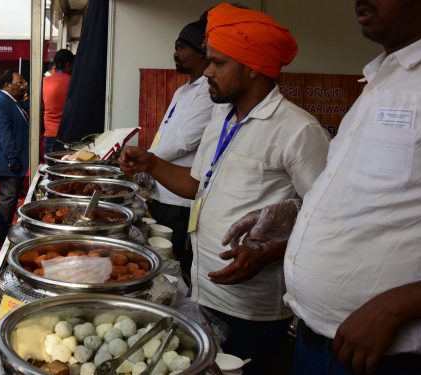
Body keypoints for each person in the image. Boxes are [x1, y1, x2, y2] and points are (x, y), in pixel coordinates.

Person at [119, 4, 331, 374]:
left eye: (218, 63)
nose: (208, 71)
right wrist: (151, 163)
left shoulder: (299, 131)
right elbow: (195, 186)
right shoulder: (222, 115)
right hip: (203, 290)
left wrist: (267, 254)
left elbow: (326, 222)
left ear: (253, 68)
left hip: (253, 307)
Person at [222, 1, 421, 374]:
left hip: (383, 353)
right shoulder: (382, 78)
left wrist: (401, 304)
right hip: (317, 338)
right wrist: (296, 213)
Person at [145, 17, 213, 280]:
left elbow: (183, 141)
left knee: (175, 266)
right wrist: (146, 162)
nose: (176, 53)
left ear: (202, 52)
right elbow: (164, 136)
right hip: (161, 189)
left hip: (181, 199)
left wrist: (146, 160)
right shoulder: (184, 91)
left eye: (182, 47)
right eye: (176, 46)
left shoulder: (208, 90)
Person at [0, 71, 30, 244]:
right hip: (7, 162)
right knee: (9, 198)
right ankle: (3, 233)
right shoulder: (2, 102)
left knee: (8, 197)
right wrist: (13, 158)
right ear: (7, 85)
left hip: (11, 160)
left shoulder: (12, 102)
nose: (23, 86)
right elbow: (3, 134)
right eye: (19, 83)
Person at [42, 49, 74, 154]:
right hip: (67, 136)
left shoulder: (44, 81)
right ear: (68, 65)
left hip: (49, 136)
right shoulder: (73, 83)